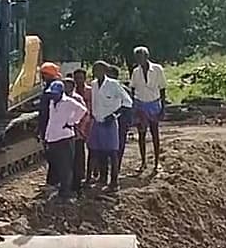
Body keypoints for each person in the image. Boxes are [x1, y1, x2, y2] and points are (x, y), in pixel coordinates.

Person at [88, 61, 132, 192]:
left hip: (110, 122)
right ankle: (102, 178)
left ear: (105, 71)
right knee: (99, 151)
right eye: (95, 70)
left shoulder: (113, 84)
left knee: (112, 152)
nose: (96, 73)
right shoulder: (94, 85)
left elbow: (127, 102)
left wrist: (114, 115)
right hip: (97, 121)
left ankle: (114, 181)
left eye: (99, 70)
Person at [42, 79, 87, 201]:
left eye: (55, 94)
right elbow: (51, 121)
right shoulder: (52, 103)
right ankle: (60, 188)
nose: (53, 96)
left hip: (65, 138)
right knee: (56, 164)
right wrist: (46, 137)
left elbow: (83, 110)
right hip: (53, 137)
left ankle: (65, 192)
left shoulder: (68, 102)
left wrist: (72, 121)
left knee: (66, 166)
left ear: (61, 93)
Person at [129, 45, 167, 172]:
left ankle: (157, 162)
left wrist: (163, 108)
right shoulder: (135, 71)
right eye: (137, 57)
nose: (139, 59)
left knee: (155, 133)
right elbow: (132, 89)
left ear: (147, 56)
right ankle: (143, 162)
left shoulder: (157, 69)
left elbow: (162, 88)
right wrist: (134, 106)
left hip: (154, 103)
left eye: (141, 56)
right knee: (141, 134)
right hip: (140, 104)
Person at [70, 68, 93, 189]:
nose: (78, 80)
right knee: (78, 154)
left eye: (80, 78)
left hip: (89, 125)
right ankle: (78, 177)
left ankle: (90, 175)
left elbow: (91, 110)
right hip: (76, 128)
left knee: (92, 151)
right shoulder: (70, 94)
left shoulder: (90, 91)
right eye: (76, 78)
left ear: (85, 78)